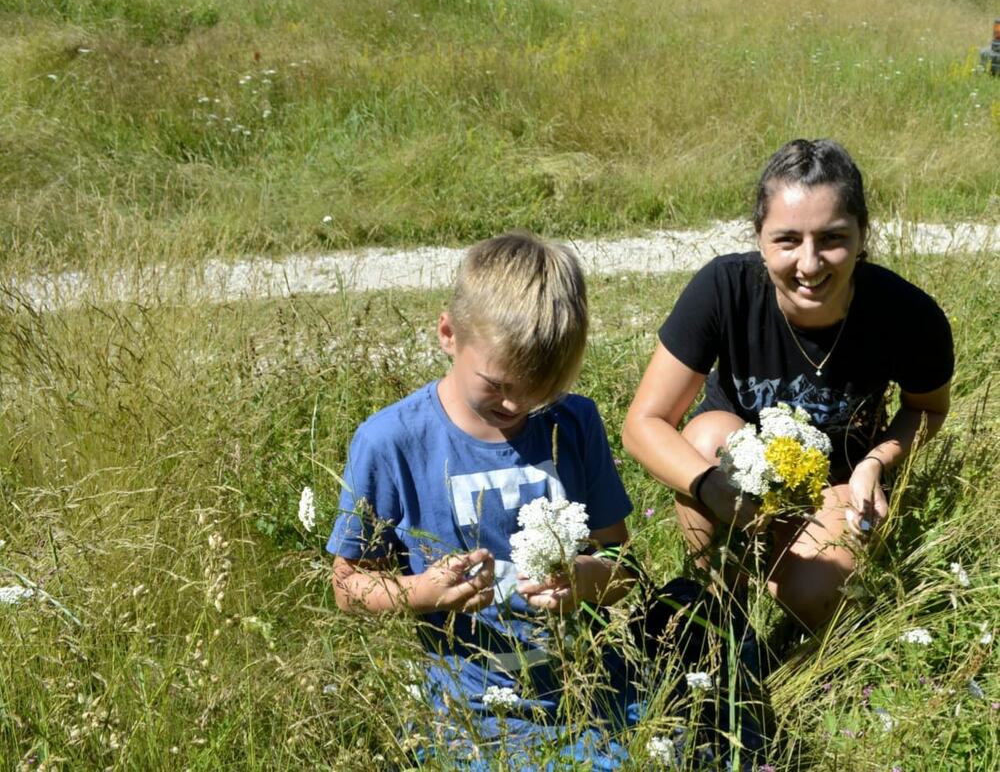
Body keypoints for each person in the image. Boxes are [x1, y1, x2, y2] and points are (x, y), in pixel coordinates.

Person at [328, 231, 642, 767]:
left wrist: (587, 578)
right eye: (497, 383)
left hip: (588, 689)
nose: (518, 403)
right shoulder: (391, 441)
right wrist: (423, 592)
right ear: (448, 333)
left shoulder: (575, 419)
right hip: (467, 709)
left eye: (541, 386)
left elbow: (625, 565)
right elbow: (348, 587)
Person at [622, 139, 954, 631]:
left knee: (813, 599)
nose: (810, 263)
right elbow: (642, 425)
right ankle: (722, 603)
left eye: (833, 238)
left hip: (838, 484)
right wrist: (707, 484)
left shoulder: (906, 314)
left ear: (864, 233)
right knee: (705, 437)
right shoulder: (723, 289)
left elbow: (927, 408)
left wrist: (874, 464)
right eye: (787, 240)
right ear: (759, 237)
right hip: (727, 481)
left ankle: (785, 583)